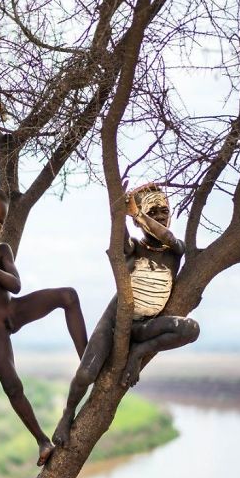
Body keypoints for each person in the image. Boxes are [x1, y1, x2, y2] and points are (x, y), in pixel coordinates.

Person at [54, 183, 200, 447]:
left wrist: (138, 214)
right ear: (138, 220)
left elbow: (166, 236)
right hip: (115, 322)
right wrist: (121, 214)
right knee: (86, 375)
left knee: (190, 329)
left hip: (145, 327)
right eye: (151, 212)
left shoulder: (175, 249)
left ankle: (138, 351)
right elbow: (120, 243)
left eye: (163, 211)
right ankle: (67, 415)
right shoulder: (133, 248)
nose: (159, 216)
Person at [0, 186, 88, 466]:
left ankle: (89, 364)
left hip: (14, 309)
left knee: (68, 296)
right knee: (12, 385)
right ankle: (41, 440)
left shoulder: (1, 250)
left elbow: (15, 284)